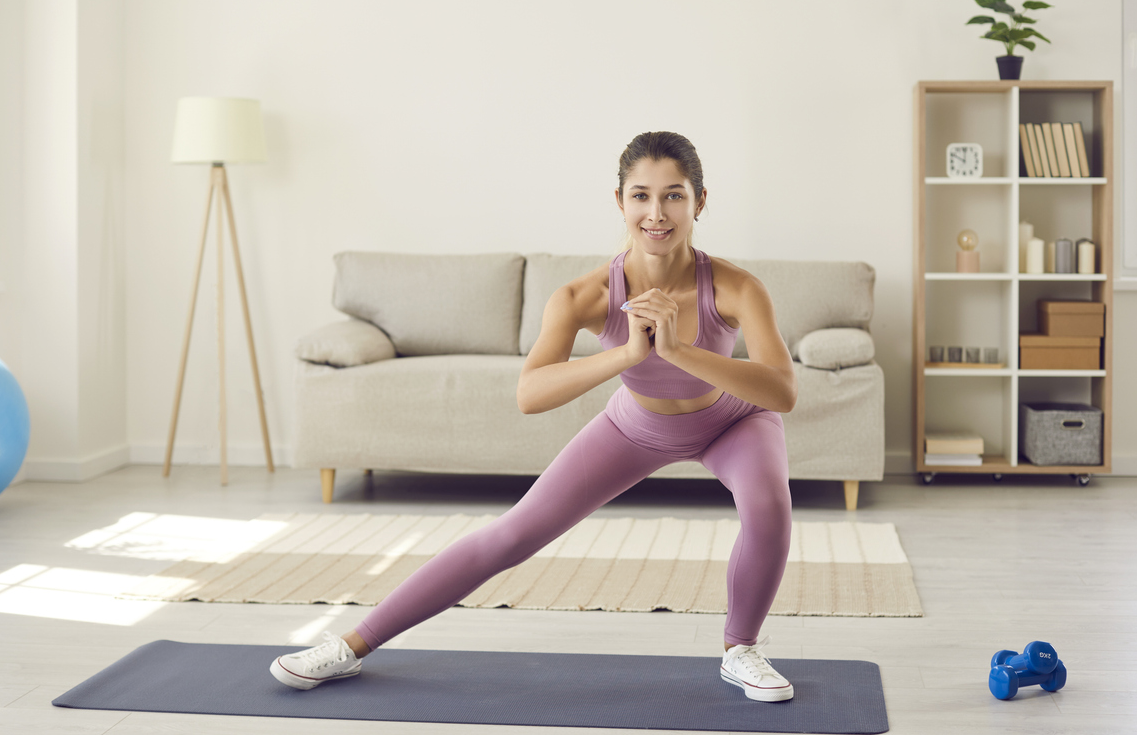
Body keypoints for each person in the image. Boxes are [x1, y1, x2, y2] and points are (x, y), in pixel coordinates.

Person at [271, 131, 798, 702]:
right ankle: (352, 645)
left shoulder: (738, 287)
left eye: (673, 195)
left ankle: (740, 650)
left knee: (767, 505)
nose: (657, 212)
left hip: (732, 423)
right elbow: (531, 393)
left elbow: (782, 391)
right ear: (619, 201)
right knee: (513, 534)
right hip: (636, 425)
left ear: (699, 201)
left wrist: (678, 351)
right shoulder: (584, 295)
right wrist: (626, 355)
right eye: (641, 195)